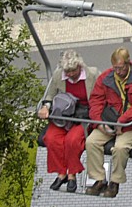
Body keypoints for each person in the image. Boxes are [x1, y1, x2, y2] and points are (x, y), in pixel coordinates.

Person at [85, 47, 132, 198]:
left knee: (120, 147)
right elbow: (96, 101)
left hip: (129, 124)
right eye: (115, 68)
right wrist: (99, 123)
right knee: (91, 142)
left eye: (121, 68)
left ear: (128, 64)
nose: (118, 71)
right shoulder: (106, 78)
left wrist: (123, 121)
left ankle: (115, 181)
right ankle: (98, 178)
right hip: (109, 122)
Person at [38, 50, 92, 193]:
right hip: (64, 114)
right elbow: (50, 95)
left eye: (73, 71)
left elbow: (100, 97)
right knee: (51, 138)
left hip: (82, 116)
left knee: (72, 140)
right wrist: (46, 107)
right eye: (67, 72)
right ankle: (61, 172)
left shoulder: (92, 75)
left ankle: (72, 174)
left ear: (79, 66)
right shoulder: (58, 76)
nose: (70, 75)